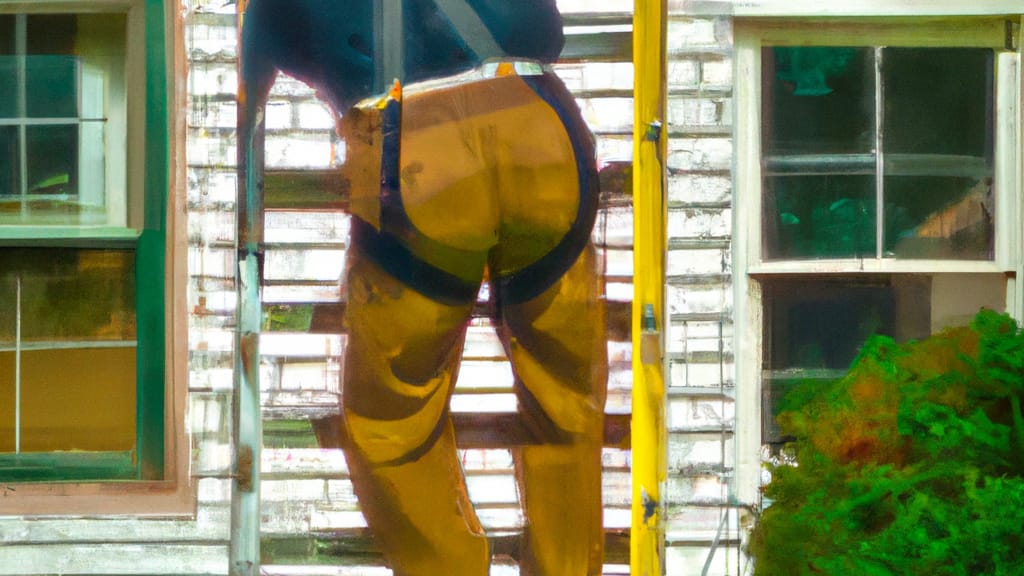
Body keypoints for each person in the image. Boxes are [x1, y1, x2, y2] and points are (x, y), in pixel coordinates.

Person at [240, 2, 607, 574]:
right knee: (567, 400)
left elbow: (245, 99)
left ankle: (451, 564)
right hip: (545, 132)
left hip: (416, 153)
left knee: (392, 418)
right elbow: (547, 35)